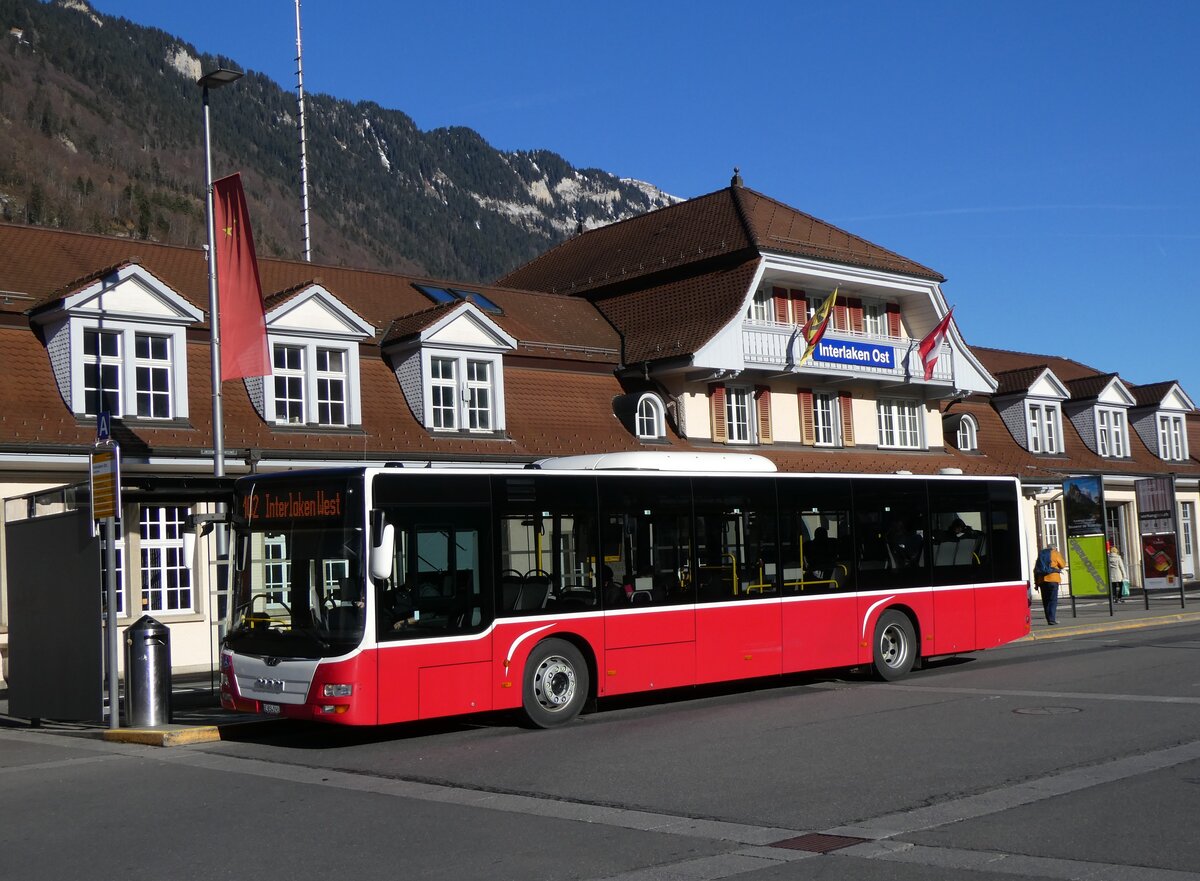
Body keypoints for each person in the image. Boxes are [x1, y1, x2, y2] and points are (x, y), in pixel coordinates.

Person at [1033, 543, 1067, 624]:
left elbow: (1036, 569)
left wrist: (1036, 583)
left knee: (1045, 601)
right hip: (1053, 579)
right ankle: (1052, 620)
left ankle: (1049, 619)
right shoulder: (1055, 553)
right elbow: (1062, 565)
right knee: (1053, 600)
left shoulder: (1041, 555)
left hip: (1042, 580)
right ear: (1054, 548)